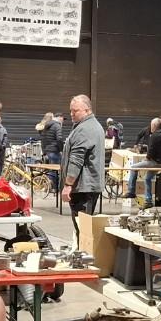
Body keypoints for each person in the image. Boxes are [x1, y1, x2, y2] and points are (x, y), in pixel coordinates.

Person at [60, 93, 105, 240]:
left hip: (83, 188)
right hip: (87, 187)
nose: (71, 114)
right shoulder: (90, 126)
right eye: (71, 110)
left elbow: (76, 159)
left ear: (87, 110)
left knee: (82, 230)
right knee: (83, 229)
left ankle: (84, 253)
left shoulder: (85, 129)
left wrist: (68, 185)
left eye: (75, 111)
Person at [143, 118, 161, 203]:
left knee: (133, 167)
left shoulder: (155, 135)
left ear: (153, 126)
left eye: (151, 125)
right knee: (147, 178)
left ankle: (131, 191)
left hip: (157, 163)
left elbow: (151, 151)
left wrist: (146, 158)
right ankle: (148, 200)